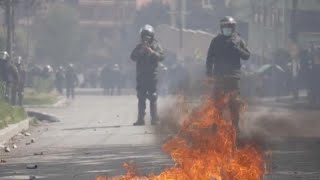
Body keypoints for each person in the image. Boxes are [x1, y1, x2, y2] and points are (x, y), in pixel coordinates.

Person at [206, 16, 250, 134]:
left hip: (233, 78)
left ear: (233, 27)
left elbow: (247, 55)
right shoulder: (216, 41)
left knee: (234, 104)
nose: (227, 29)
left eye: (229, 27)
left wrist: (237, 49)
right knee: (217, 103)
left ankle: (235, 127)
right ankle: (215, 127)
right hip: (219, 78)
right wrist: (209, 74)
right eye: (224, 27)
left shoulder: (238, 40)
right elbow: (209, 58)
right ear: (221, 28)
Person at [130, 24, 165, 126]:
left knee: (153, 97)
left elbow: (162, 56)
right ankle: (140, 119)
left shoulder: (156, 45)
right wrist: (141, 51)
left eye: (148, 35)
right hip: (141, 76)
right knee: (141, 97)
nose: (146, 38)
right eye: (144, 36)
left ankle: (154, 119)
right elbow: (132, 57)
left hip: (152, 76)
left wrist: (152, 52)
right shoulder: (139, 47)